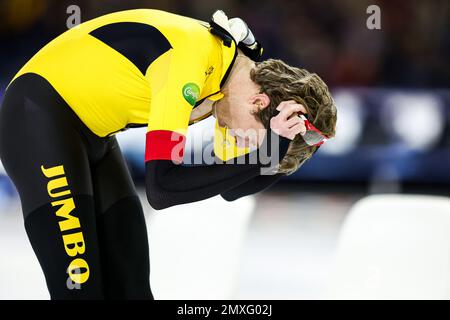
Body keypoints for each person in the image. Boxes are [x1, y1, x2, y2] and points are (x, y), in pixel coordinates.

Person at [0, 9, 337, 300]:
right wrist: (269, 151)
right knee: (81, 289)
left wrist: (273, 155)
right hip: (36, 118)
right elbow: (162, 189)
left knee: (132, 287)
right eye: (253, 142)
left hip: (91, 133)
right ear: (260, 103)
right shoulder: (191, 64)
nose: (243, 145)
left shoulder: (232, 84)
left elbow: (233, 185)